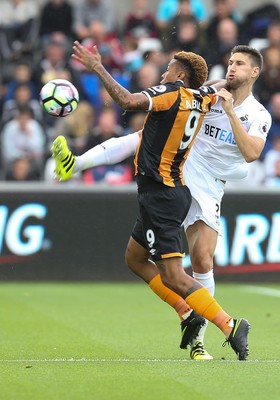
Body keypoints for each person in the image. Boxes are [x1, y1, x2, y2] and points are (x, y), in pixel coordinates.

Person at [52, 41, 252, 361]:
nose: (164, 71)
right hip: (164, 193)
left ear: (181, 76)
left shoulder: (170, 92)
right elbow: (212, 86)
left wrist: (97, 67)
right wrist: (229, 80)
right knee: (134, 258)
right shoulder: (200, 97)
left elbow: (127, 100)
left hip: (162, 195)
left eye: (170, 67)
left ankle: (229, 325)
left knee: (174, 275)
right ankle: (187, 312)